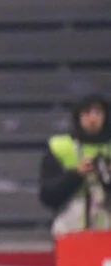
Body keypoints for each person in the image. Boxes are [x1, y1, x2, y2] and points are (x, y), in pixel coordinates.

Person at [39, 94, 111, 236]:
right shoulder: (60, 147)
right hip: (70, 228)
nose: (92, 119)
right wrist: (76, 174)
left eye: (97, 113)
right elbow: (48, 196)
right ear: (78, 116)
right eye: (86, 113)